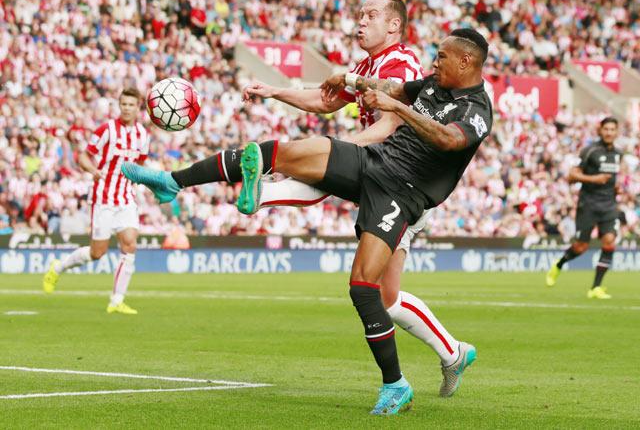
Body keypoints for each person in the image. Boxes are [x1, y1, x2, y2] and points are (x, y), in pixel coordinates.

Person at [122, 28, 492, 414]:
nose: (435, 62)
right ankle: (172, 182)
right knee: (276, 152)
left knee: (364, 287)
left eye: (442, 57)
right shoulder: (433, 83)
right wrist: (350, 79)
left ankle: (395, 383)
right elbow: (396, 88)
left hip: (403, 192)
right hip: (375, 162)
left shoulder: (477, 109)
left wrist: (399, 109)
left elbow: (449, 140)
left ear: (466, 61)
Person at [243, 0, 462, 398]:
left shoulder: (402, 65)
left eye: (371, 15)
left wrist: (336, 155)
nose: (360, 22)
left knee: (381, 294)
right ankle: (453, 354)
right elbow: (322, 102)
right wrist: (273, 91)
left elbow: (385, 130)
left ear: (394, 25)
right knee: (387, 298)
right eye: (359, 14)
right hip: (381, 181)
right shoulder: (367, 66)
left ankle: (262, 195)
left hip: (403, 184)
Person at [42, 88, 150, 315]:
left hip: (126, 197)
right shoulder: (106, 130)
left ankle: (116, 300)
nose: (127, 108)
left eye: (131, 104)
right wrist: (93, 170)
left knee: (130, 244)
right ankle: (58, 267)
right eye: (124, 104)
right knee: (97, 252)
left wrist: (145, 181)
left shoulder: (142, 135)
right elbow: (83, 156)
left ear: (138, 107)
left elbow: (139, 165)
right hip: (104, 197)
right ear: (119, 105)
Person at [545, 117, 622, 299]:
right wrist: (594, 179)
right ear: (600, 130)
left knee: (609, 241)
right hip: (588, 204)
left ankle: (595, 288)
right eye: (606, 129)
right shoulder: (590, 151)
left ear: (617, 132)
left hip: (609, 205)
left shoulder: (618, 153)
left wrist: (615, 187)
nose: (609, 132)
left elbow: (611, 177)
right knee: (581, 247)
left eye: (613, 129)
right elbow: (571, 176)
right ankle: (559, 264)